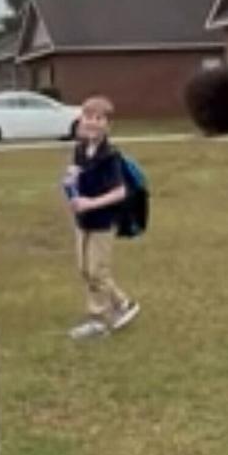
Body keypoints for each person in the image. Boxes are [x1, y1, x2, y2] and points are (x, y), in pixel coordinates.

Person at [63, 96, 140, 340]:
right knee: (85, 269)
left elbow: (120, 192)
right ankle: (124, 303)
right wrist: (72, 179)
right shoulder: (80, 150)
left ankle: (98, 321)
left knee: (97, 270)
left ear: (108, 125)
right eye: (88, 117)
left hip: (102, 223)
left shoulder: (110, 156)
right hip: (82, 221)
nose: (92, 123)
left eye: (99, 118)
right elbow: (79, 180)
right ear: (81, 119)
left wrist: (91, 203)